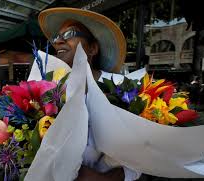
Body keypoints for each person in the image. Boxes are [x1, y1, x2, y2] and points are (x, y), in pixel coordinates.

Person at [38, 8, 141, 181]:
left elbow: (143, 149)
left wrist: (106, 179)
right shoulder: (49, 90)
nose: (59, 41)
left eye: (70, 33)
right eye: (56, 37)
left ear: (93, 48)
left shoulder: (122, 88)